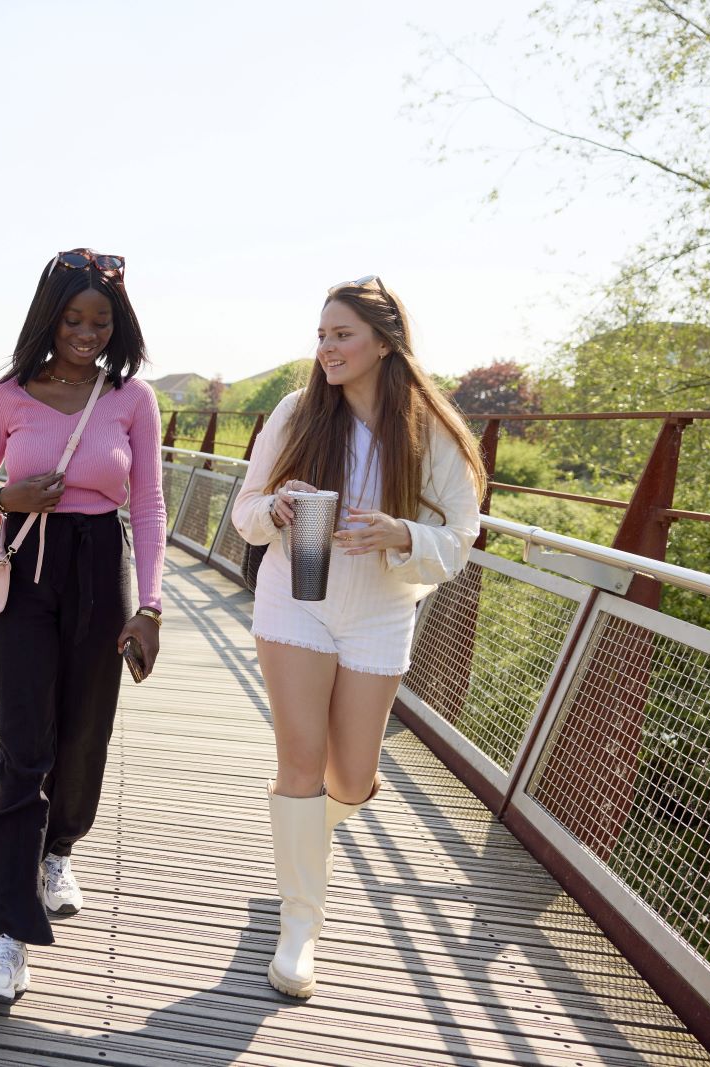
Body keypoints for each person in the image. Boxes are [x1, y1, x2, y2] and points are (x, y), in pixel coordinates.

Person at [231, 276, 484, 999]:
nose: (327, 348)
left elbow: (460, 539)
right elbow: (245, 509)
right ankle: (299, 923)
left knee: (350, 779)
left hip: (380, 611)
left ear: (384, 340)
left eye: (341, 334)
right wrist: (274, 508)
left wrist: (400, 532)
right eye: (321, 335)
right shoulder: (296, 412)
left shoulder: (433, 433)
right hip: (295, 600)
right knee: (301, 762)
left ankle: (301, 833)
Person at [0, 249, 167, 1002]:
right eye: (73, 318)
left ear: (117, 325)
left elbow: (147, 505)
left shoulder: (132, 399)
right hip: (27, 569)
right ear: (50, 318)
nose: (85, 332)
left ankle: (58, 849)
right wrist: (10, 497)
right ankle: (7, 936)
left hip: (100, 568)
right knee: (25, 744)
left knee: (83, 733)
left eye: (99, 321)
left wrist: (150, 605)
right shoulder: (6, 395)